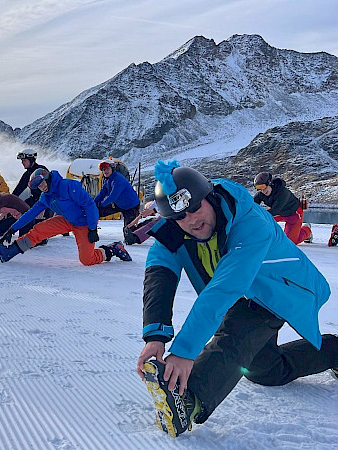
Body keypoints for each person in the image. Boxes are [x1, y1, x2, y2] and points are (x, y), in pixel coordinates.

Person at [136, 161, 336, 438]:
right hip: (242, 294)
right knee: (265, 371)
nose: (191, 220)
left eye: (195, 208)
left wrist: (183, 352)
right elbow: (159, 276)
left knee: (237, 331)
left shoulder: (251, 223)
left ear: (210, 197)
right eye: (181, 217)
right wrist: (154, 336)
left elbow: (223, 289)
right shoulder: (174, 230)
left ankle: (189, 399)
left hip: (279, 290)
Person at [0, 168, 131, 265]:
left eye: (42, 183)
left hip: (83, 222)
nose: (42, 187)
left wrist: (92, 228)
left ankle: (112, 249)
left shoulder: (68, 186)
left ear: (47, 178)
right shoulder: (45, 197)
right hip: (66, 220)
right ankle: (10, 251)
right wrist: (11, 230)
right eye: (38, 186)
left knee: (86, 260)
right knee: (39, 230)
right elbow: (30, 213)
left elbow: (90, 205)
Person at [252, 172, 312, 245]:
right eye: (259, 188)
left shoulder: (283, 192)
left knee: (290, 242)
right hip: (280, 213)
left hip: (293, 213)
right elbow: (251, 205)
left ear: (270, 183)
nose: (262, 190)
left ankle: (307, 230)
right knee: (261, 220)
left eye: (263, 186)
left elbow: (275, 211)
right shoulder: (261, 194)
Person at [94, 161, 141, 243]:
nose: (105, 171)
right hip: (119, 204)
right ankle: (91, 231)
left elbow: (112, 196)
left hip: (131, 206)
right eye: (103, 169)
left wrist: (101, 205)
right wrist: (93, 204)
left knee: (129, 237)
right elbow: (102, 193)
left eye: (107, 169)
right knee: (95, 211)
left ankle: (146, 225)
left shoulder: (118, 179)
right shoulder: (108, 180)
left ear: (112, 169)